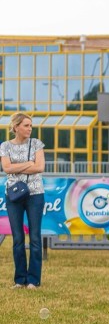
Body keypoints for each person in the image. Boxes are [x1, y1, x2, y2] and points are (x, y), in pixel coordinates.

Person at [1, 113, 46, 289]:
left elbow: (40, 167)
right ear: (16, 127)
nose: (30, 128)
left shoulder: (36, 144)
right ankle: (20, 279)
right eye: (26, 125)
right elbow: (6, 168)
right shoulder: (5, 146)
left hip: (35, 194)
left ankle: (33, 280)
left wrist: (16, 168)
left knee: (35, 237)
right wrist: (28, 163)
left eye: (31, 126)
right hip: (13, 196)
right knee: (18, 238)